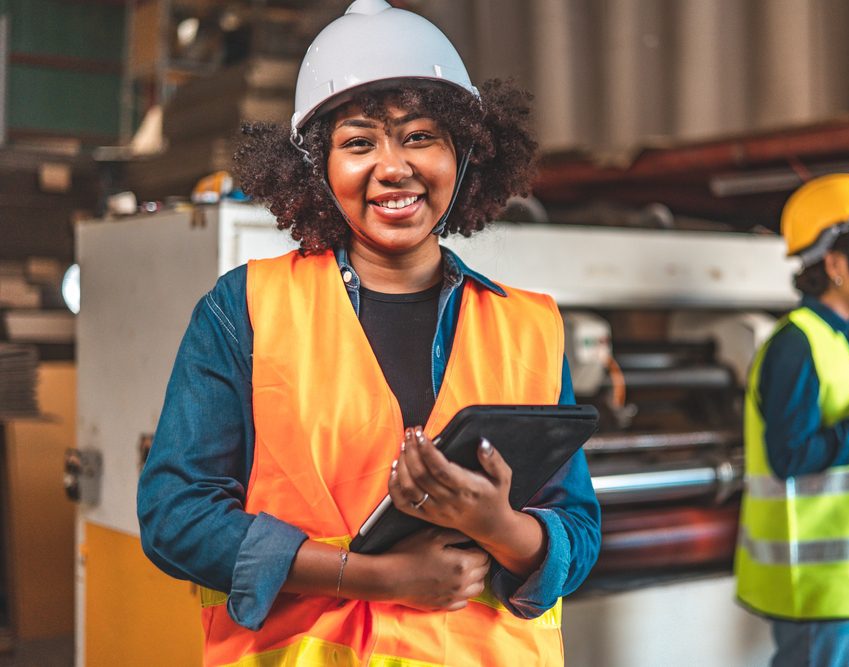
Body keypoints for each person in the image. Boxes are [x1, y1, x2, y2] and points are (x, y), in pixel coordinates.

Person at [136, 2, 601, 665]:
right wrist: (374, 575)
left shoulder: (527, 326)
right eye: (359, 142)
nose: (393, 167)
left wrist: (500, 528)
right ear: (316, 167)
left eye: (420, 137)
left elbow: (578, 528)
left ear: (465, 152)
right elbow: (175, 517)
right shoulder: (244, 308)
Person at [734, 174, 849, 667]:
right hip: (813, 584)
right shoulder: (797, 344)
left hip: (837, 581)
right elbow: (791, 457)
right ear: (835, 263)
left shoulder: (839, 340)